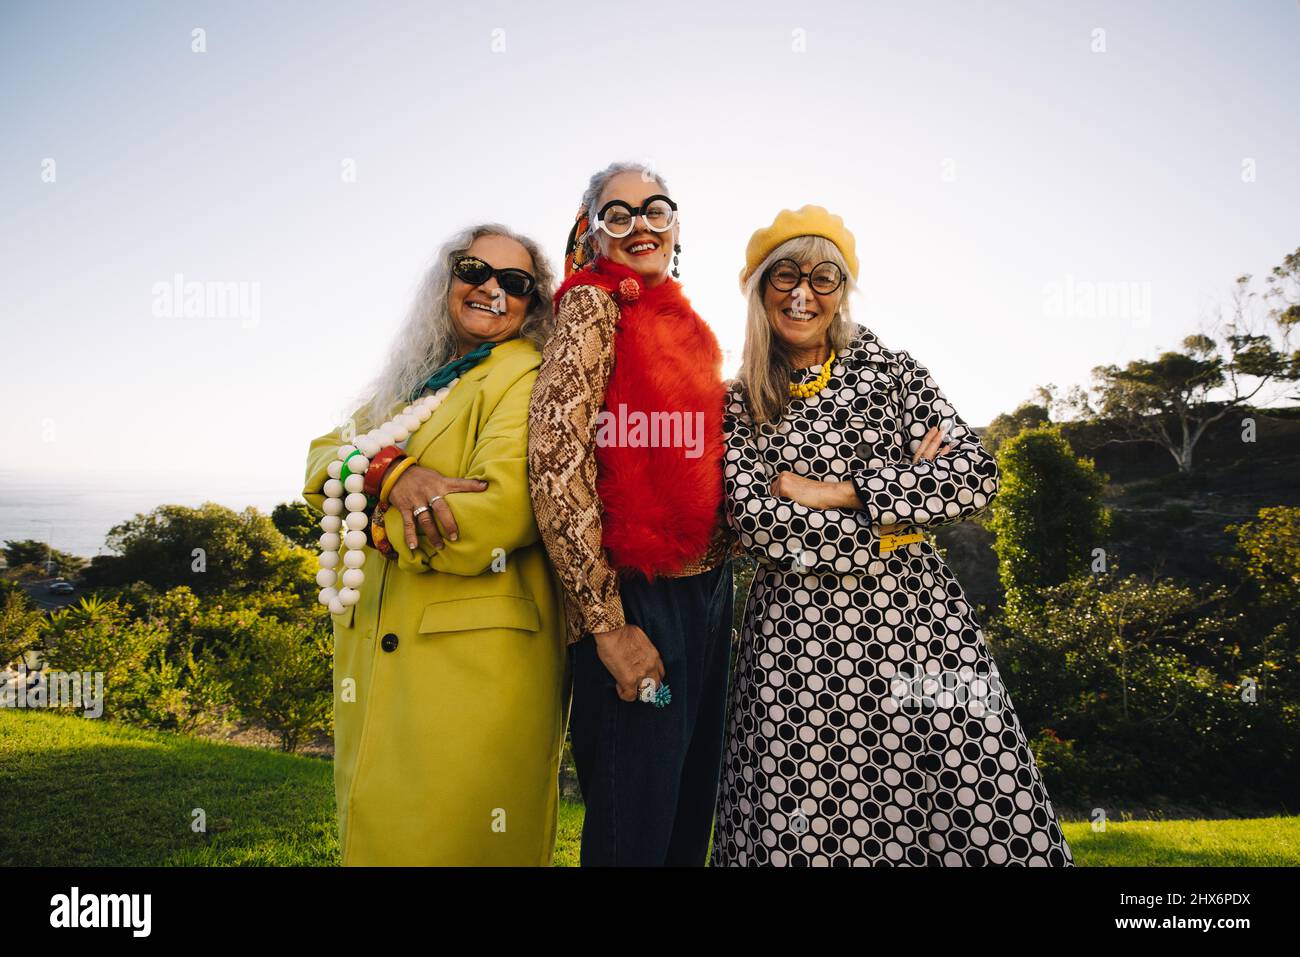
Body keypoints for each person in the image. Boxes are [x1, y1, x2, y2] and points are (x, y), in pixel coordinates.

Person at [711, 205, 1074, 866]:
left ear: (843, 290)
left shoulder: (898, 373)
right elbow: (759, 524)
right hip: (797, 640)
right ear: (761, 289)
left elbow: (974, 477)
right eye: (785, 275)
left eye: (824, 277)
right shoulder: (739, 401)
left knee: (975, 794)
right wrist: (900, 512)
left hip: (919, 620)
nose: (803, 293)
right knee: (810, 814)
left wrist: (835, 490)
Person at [302, 224, 569, 865]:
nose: (491, 290)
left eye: (514, 282)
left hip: (476, 679)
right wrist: (392, 474)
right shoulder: (415, 383)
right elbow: (318, 460)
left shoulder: (527, 376)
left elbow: (491, 518)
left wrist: (373, 518)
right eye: (475, 270)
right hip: (375, 667)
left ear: (534, 303)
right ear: (447, 279)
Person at [528, 162, 735, 865]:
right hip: (636, 595)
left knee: (683, 825)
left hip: (707, 591)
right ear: (593, 230)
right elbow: (556, 465)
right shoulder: (591, 306)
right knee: (633, 837)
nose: (640, 225)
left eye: (655, 209)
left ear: (676, 224)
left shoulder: (687, 323)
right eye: (618, 214)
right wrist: (607, 626)